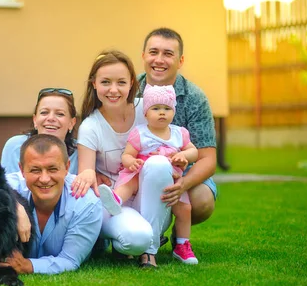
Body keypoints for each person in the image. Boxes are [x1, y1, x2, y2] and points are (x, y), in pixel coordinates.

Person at [70, 49, 160, 268]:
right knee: (136, 238)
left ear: (131, 82)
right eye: (105, 82)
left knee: (158, 165)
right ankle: (127, 243)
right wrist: (89, 172)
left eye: (121, 82)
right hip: (114, 203)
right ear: (94, 84)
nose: (113, 90)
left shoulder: (146, 111)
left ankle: (151, 250)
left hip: (149, 196)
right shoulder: (91, 126)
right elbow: (86, 172)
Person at [98, 84, 200, 264]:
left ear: (173, 111)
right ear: (145, 113)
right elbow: (127, 155)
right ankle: (116, 200)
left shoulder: (179, 133)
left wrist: (183, 155)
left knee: (184, 209)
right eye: (156, 108)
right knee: (130, 183)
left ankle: (182, 244)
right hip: (142, 171)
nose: (162, 112)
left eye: (167, 108)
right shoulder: (140, 133)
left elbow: (194, 152)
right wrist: (132, 162)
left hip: (172, 179)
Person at [137, 27, 218, 247]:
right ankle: (138, 233)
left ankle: (178, 235)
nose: (159, 60)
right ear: (143, 56)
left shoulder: (195, 98)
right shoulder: (129, 90)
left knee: (202, 200)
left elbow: (208, 158)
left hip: (184, 170)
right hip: (136, 166)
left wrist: (182, 185)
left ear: (180, 60)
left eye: (168, 54)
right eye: (153, 52)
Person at [0, 134, 102, 275]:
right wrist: (17, 206)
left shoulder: (86, 203)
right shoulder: (9, 186)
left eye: (52, 169)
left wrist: (27, 266)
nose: (45, 179)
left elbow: (69, 260)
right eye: (35, 170)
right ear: (22, 170)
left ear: (67, 167)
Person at [1, 87, 79, 175]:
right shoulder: (15, 146)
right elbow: (8, 187)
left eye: (60, 114)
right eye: (44, 112)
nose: (51, 118)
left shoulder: (81, 153)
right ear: (35, 120)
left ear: (71, 123)